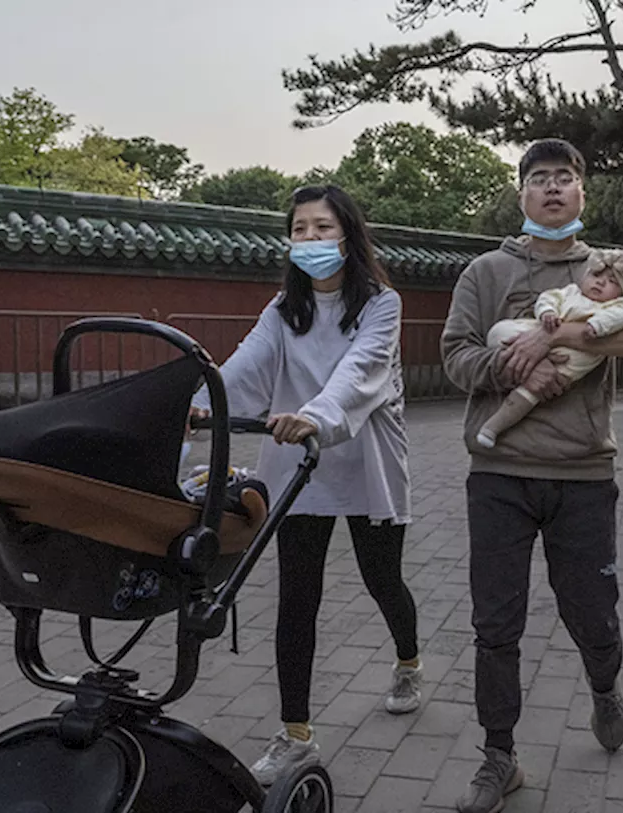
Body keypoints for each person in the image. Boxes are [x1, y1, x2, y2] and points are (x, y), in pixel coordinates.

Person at [440, 138, 623, 813]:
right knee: (495, 622)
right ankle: (498, 755)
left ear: (583, 193)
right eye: (540, 178)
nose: (554, 188)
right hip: (499, 473)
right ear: (522, 193)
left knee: (591, 610)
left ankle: (604, 681)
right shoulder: (485, 270)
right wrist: (512, 366)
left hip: (584, 473)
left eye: (566, 177)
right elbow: (455, 354)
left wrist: (554, 337)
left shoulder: (609, 269)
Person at [189, 184, 420, 787]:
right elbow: (245, 365)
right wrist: (197, 405)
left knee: (382, 578)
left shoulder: (380, 304)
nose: (311, 240)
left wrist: (315, 414)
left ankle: (408, 660)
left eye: (323, 228)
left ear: (348, 234)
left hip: (362, 453)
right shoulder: (280, 310)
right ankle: (295, 734)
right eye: (300, 230)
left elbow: (360, 372)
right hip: (299, 458)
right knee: (298, 598)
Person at [476, 248, 623, 449]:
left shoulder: (620, 305)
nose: (600, 282)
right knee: (500, 330)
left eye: (613, 281)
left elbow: (620, 319)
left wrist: (597, 325)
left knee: (531, 393)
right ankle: (523, 356)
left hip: (574, 356)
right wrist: (547, 312)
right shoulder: (570, 292)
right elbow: (548, 299)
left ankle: (493, 427)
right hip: (540, 330)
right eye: (596, 275)